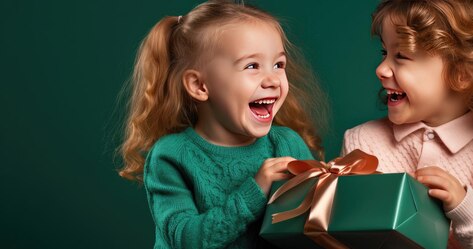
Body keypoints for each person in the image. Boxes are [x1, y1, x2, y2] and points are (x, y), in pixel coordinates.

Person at [118, 1, 327, 248]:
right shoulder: (172, 155)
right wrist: (256, 190)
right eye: (252, 66)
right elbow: (186, 240)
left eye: (278, 65)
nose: (273, 80)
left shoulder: (286, 143)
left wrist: (325, 191)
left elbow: (309, 233)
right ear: (199, 86)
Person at [342, 0, 473, 248]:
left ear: (464, 72)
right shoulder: (363, 142)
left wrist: (466, 210)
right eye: (384, 52)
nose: (381, 69)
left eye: (402, 56)